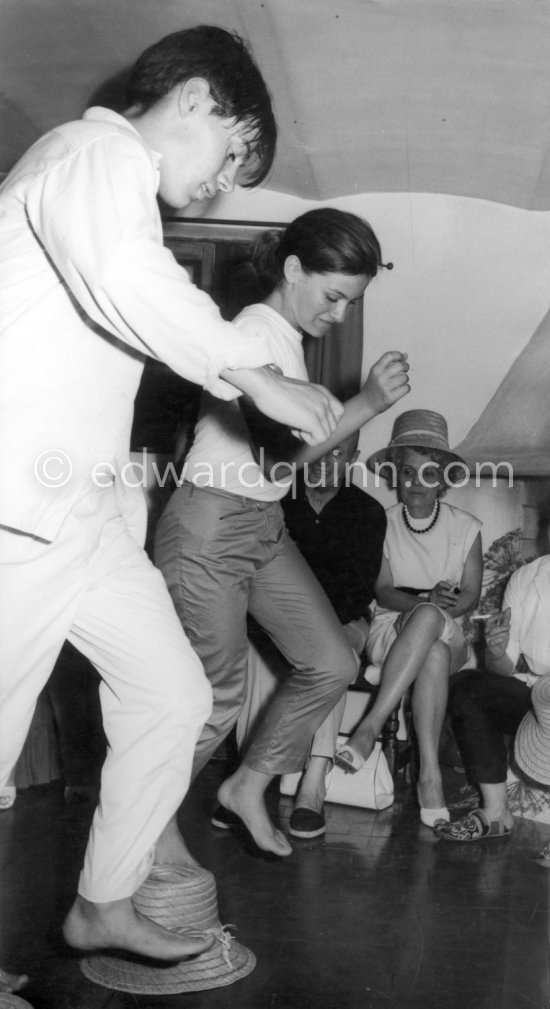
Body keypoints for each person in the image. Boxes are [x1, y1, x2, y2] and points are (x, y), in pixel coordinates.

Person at [0, 25, 347, 967]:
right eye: (235, 152)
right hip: (14, 516)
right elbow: (126, 281)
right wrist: (258, 373)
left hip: (81, 517)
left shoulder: (115, 194)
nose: (226, 182)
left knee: (171, 691)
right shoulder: (92, 150)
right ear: (193, 97)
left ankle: (101, 903)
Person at [154, 207, 410, 858]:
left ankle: (248, 784)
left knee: (331, 660)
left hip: (262, 522)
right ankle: (144, 834)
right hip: (212, 524)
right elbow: (280, 459)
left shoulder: (287, 339)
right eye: (333, 297)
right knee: (216, 695)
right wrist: (367, 405)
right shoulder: (255, 332)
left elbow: (276, 467)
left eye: (351, 302)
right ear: (293, 271)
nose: (341, 315)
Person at [215, 430, 387, 840]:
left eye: (339, 454)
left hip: (344, 620)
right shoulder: (277, 500)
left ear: (354, 458)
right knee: (253, 655)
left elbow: (357, 592)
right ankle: (248, 782)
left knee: (331, 653)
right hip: (275, 621)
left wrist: (304, 623)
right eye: (319, 453)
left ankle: (314, 782)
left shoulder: (367, 511)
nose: (325, 463)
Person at [334, 410, 483, 827]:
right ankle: (430, 777)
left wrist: (437, 607)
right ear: (394, 474)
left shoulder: (467, 527)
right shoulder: (378, 522)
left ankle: (370, 727)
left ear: (445, 477)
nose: (418, 482)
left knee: (434, 627)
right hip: (390, 626)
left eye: (429, 473)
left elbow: (469, 595)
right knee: (430, 650)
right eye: (408, 472)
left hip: (451, 629)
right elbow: (381, 591)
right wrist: (423, 605)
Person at [436, 554, 550, 843]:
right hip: (539, 693)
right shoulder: (527, 577)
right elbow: (503, 668)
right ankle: (496, 812)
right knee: (468, 687)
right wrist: (497, 651)